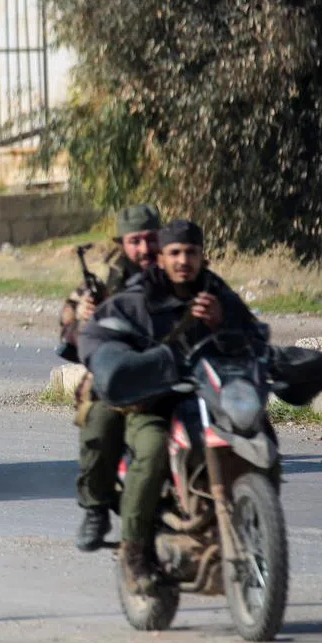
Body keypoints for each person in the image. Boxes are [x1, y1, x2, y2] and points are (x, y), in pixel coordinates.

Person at [77, 218, 261, 595]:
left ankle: (255, 518)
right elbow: (95, 336)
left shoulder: (215, 293)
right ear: (162, 257)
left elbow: (254, 339)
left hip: (206, 398)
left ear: (202, 256)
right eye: (175, 253)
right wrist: (119, 366)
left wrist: (222, 323)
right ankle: (134, 551)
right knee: (154, 447)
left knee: (253, 432)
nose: (183, 261)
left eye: (191, 252)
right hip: (151, 401)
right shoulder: (137, 297)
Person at [59, 203, 162, 553]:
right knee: (100, 425)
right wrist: (83, 319)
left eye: (151, 239)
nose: (145, 249)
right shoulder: (103, 279)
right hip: (120, 375)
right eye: (136, 241)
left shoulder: (178, 265)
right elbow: (69, 332)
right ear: (122, 243)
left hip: (173, 369)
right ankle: (96, 509)